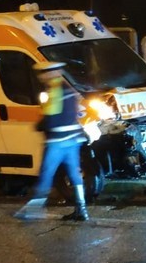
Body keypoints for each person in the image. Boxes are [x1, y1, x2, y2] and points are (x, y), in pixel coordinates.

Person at [14, 61, 90, 222]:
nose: (41, 77)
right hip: (73, 139)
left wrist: (39, 126)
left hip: (57, 141)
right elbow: (78, 112)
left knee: (46, 173)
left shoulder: (54, 91)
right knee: (74, 174)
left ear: (50, 74)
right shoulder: (69, 89)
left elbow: (50, 119)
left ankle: (33, 210)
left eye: (42, 73)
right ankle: (81, 210)